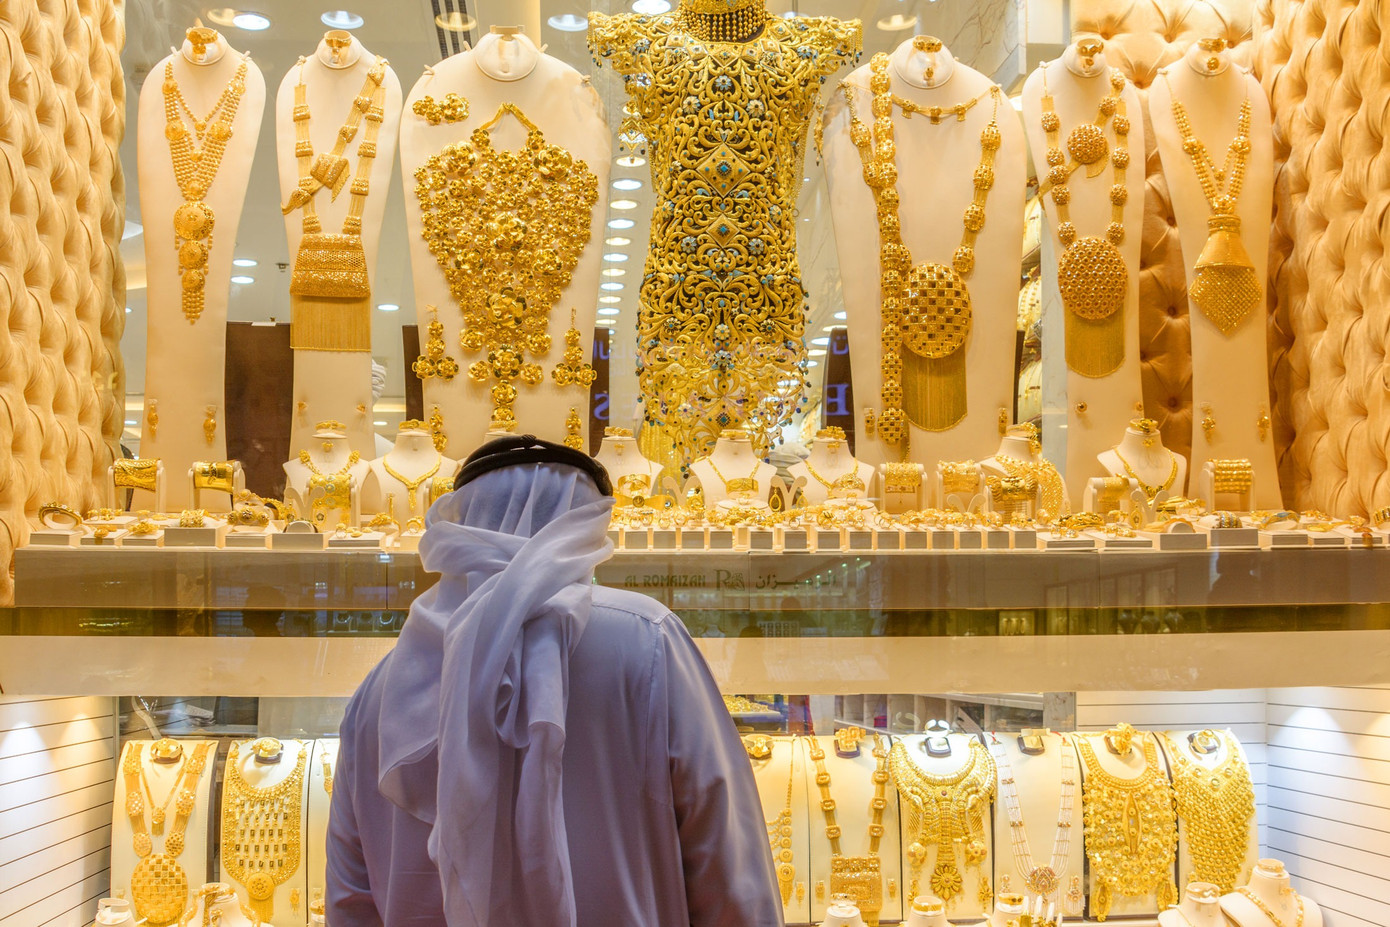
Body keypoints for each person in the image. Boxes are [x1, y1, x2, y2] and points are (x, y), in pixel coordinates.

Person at [327, 435, 780, 927]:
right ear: (584, 519)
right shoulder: (648, 641)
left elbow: (350, 903)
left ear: (460, 521)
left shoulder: (380, 689)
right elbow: (728, 868)